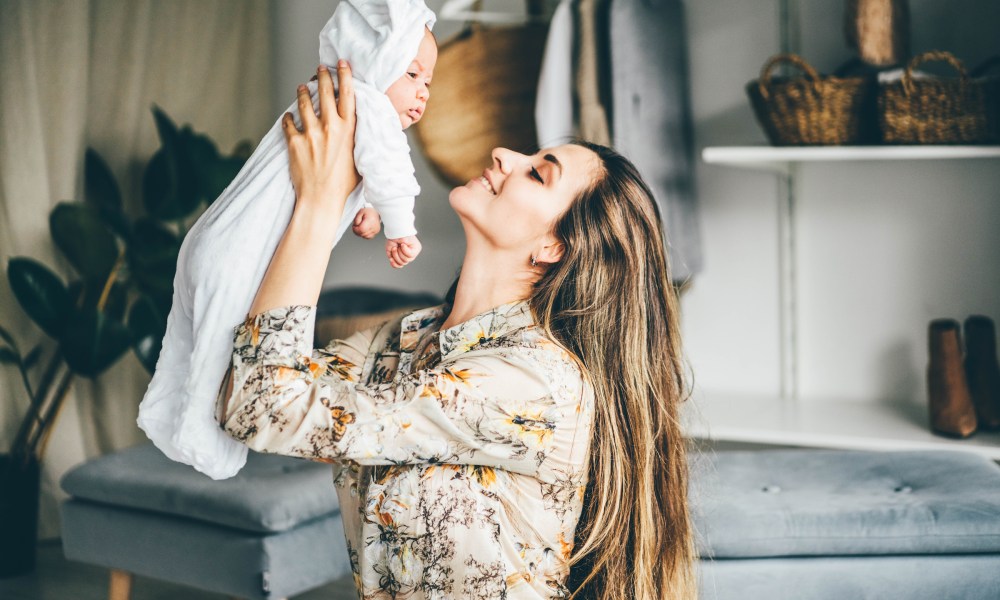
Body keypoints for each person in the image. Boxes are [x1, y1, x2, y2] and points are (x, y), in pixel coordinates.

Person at [217, 62, 698, 599]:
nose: (505, 155)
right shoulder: (409, 338)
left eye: (538, 172)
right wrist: (327, 193)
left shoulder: (535, 382)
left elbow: (261, 404)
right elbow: (246, 383)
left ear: (553, 249)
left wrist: (320, 201)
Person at [137, 0, 436, 481]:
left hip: (211, 242)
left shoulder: (330, 98)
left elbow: (335, 171)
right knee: (217, 357)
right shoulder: (371, 104)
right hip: (243, 259)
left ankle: (160, 414)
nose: (422, 93)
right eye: (413, 74)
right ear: (377, 56)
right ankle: (205, 444)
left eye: (428, 83)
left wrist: (366, 209)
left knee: (186, 340)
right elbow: (392, 172)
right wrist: (401, 225)